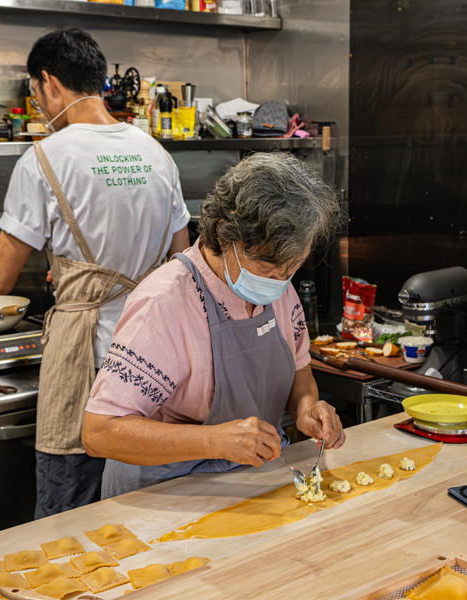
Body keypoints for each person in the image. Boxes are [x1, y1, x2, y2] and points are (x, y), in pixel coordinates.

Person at [0, 28, 191, 516]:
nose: (40, 107)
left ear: (49, 82)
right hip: (154, 357)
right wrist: (88, 277)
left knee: (68, 519)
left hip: (86, 361)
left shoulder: (43, 159)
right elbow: (182, 264)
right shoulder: (156, 153)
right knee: (141, 511)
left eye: (35, 93)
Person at [81, 152, 345, 496]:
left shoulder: (280, 288)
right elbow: (98, 432)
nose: (280, 281)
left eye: (292, 268)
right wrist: (215, 441)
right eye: (267, 268)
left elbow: (301, 380)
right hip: (163, 497)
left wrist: (309, 409)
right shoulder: (164, 303)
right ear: (224, 234)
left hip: (251, 487)